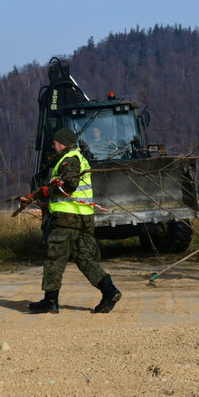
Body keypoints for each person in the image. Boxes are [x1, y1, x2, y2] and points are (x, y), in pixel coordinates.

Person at [26, 128, 122, 314]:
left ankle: (50, 302)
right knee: (84, 259)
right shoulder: (77, 158)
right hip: (80, 218)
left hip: (66, 219)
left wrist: (47, 191)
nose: (53, 145)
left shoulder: (70, 159)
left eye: (54, 142)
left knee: (55, 259)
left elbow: (69, 184)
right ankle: (110, 291)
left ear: (61, 143)